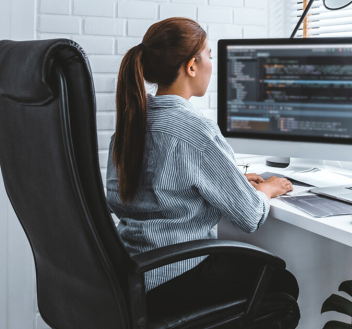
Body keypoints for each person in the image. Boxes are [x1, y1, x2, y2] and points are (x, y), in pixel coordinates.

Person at [105, 17, 298, 315]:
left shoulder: (131, 123)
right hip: (175, 275)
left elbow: (136, 192)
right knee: (282, 284)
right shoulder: (196, 130)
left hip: (133, 276)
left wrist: (228, 181)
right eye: (209, 55)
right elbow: (250, 216)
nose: (212, 63)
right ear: (191, 66)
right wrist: (269, 189)